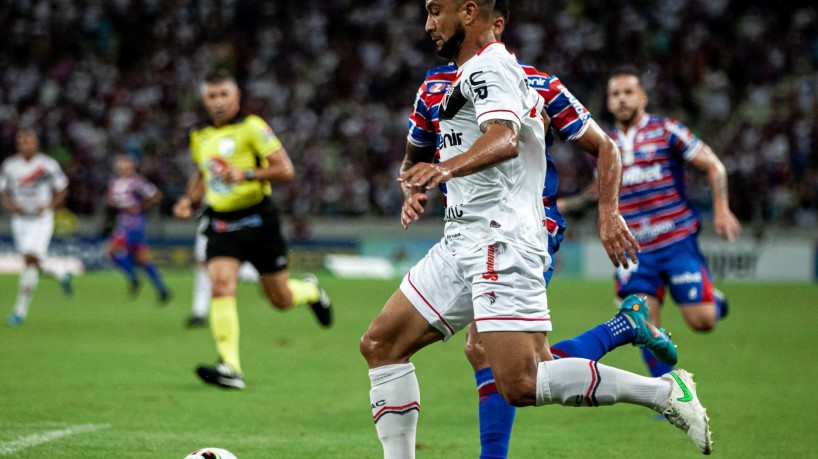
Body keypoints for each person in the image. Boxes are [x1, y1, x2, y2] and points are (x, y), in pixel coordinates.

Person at [360, 0, 713, 456]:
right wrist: (416, 182)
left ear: (470, 13)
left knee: (522, 381)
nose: (427, 24)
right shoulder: (442, 82)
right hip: (459, 239)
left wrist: (608, 212)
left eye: (434, 11)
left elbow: (507, 139)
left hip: (502, 239)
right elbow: (417, 155)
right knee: (380, 344)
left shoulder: (501, 71)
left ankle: (665, 393)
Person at [173, 68, 333, 390]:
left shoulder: (253, 127)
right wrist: (188, 200)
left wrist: (245, 175)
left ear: (236, 97)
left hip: (258, 220)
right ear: (204, 100)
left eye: (224, 95)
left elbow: (285, 169)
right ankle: (230, 367)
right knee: (220, 284)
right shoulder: (200, 136)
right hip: (220, 221)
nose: (218, 102)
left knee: (281, 298)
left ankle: (312, 292)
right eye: (212, 96)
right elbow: (203, 174)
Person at [605, 66, 741, 377]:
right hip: (634, 248)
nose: (621, 99)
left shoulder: (667, 130)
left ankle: (714, 302)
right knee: (641, 323)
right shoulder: (605, 143)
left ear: (643, 97)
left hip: (676, 241)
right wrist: (565, 204)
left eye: (628, 92)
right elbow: (599, 191)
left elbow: (714, 166)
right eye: (615, 94)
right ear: (609, 102)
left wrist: (721, 209)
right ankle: (668, 395)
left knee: (702, 321)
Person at [0, 128, 73, 326]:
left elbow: (63, 188)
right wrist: (10, 205)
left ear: (36, 143)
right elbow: (3, 191)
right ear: (17, 145)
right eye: (21, 142)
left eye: (29, 141)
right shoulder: (10, 166)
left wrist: (50, 205)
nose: (25, 145)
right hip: (20, 219)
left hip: (41, 218)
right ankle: (60, 272)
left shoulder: (47, 165)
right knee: (30, 261)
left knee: (30, 259)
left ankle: (19, 311)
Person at [105, 154, 171, 303]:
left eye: (125, 165)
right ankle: (162, 290)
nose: (122, 168)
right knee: (142, 259)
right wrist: (116, 203)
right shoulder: (114, 183)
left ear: (132, 166)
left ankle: (135, 278)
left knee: (112, 251)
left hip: (134, 224)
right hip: (123, 222)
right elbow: (110, 200)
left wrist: (140, 206)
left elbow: (157, 195)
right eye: (120, 165)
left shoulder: (137, 182)